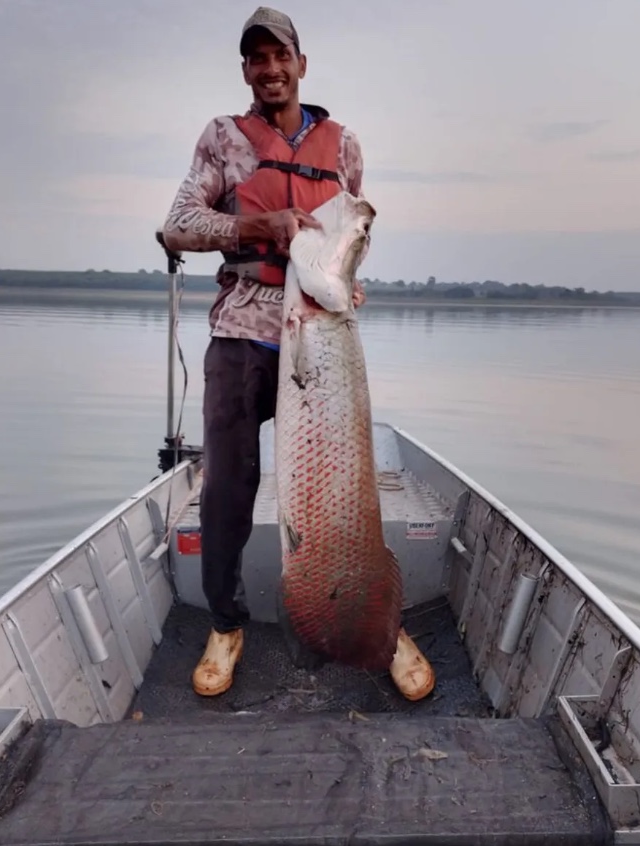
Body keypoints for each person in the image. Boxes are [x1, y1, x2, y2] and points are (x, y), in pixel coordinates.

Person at [159, 6, 435, 703]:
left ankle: (378, 620)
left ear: (301, 65)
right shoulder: (222, 138)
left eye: (281, 56)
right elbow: (178, 225)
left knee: (349, 488)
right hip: (243, 331)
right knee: (227, 488)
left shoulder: (343, 148)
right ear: (247, 70)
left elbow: (350, 232)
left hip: (325, 337)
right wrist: (260, 223)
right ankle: (227, 624)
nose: (271, 69)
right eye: (257, 59)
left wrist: (346, 278)